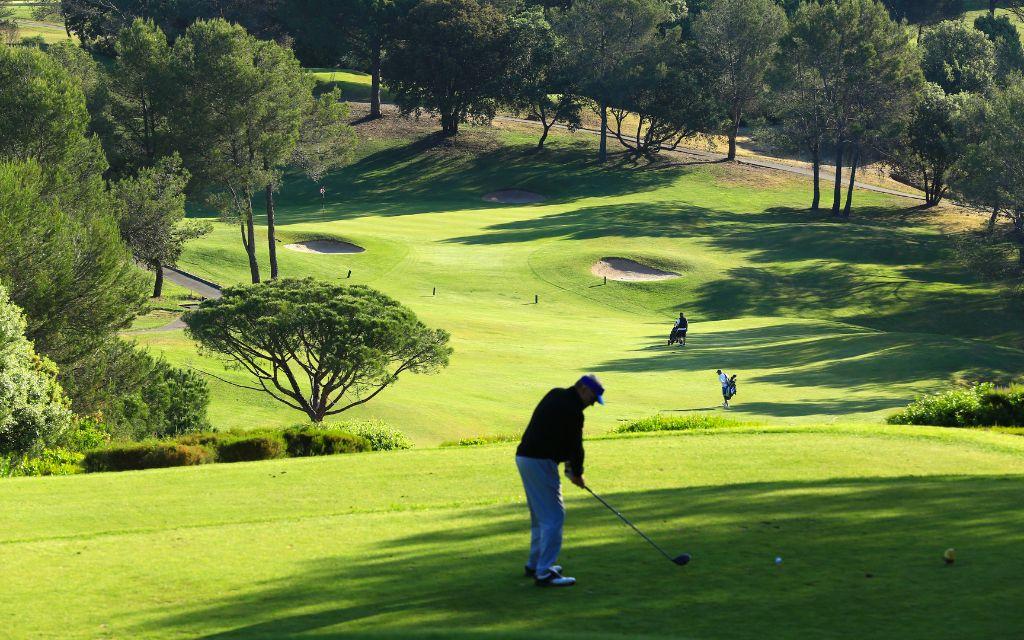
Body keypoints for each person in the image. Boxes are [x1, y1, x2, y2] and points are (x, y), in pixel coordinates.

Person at [515, 374, 604, 587]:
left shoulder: (556, 395)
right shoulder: (573, 411)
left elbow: (557, 437)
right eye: (593, 398)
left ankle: (535, 564)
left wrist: (570, 468)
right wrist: (577, 473)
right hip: (539, 461)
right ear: (583, 389)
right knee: (554, 517)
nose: (592, 404)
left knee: (540, 516)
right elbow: (575, 446)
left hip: (525, 458)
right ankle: (544, 573)